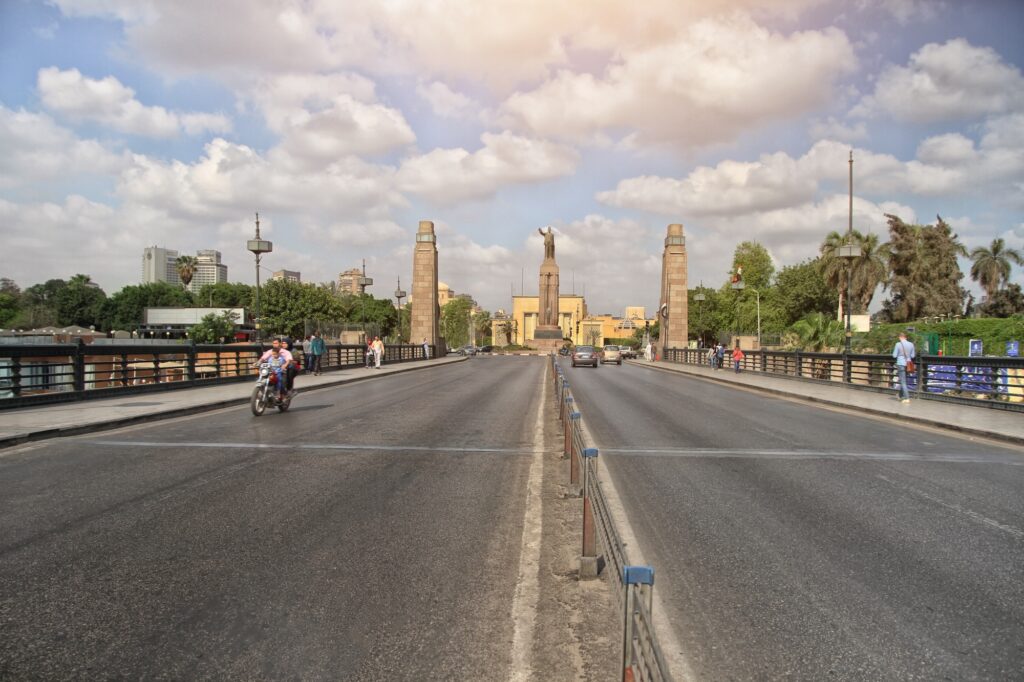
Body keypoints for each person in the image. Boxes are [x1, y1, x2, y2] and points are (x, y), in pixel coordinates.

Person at [892, 331, 916, 403]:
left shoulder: (898, 344)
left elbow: (894, 355)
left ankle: (906, 397)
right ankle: (900, 395)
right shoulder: (911, 344)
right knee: (904, 381)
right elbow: (913, 356)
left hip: (901, 363)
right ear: (905, 337)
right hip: (908, 364)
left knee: (902, 381)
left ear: (900, 337)